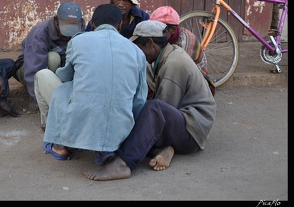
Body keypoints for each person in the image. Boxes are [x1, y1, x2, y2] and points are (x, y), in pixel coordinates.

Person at [83, 20, 217, 181]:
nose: (137, 52)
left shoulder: (174, 63)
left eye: (139, 47)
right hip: (181, 122)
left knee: (153, 110)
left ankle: (124, 164)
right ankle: (166, 149)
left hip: (192, 131)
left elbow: (163, 110)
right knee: (141, 115)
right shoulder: (165, 54)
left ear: (150, 43)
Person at [35, 3, 148, 164]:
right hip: (120, 128)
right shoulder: (136, 51)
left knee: (44, 76)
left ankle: (59, 143)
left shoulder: (79, 41)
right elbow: (139, 99)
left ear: (93, 25)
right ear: (120, 25)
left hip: (81, 119)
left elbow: (66, 76)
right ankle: (109, 145)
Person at [13, 1, 86, 116]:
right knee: (53, 58)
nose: (68, 35)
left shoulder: (83, 29)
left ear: (80, 23)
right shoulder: (40, 33)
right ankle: (41, 94)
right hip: (28, 69)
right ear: (56, 21)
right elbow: (34, 70)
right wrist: (40, 103)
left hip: (59, 69)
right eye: (66, 29)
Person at [149, 6, 215, 96]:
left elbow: (177, 73)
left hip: (195, 84)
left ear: (172, 30)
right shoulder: (164, 38)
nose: (154, 33)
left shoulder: (185, 42)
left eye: (159, 29)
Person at [85, 0, 149, 38]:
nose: (121, 4)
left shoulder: (142, 18)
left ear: (132, 3)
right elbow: (88, 37)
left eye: (126, 0)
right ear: (112, 0)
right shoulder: (100, 14)